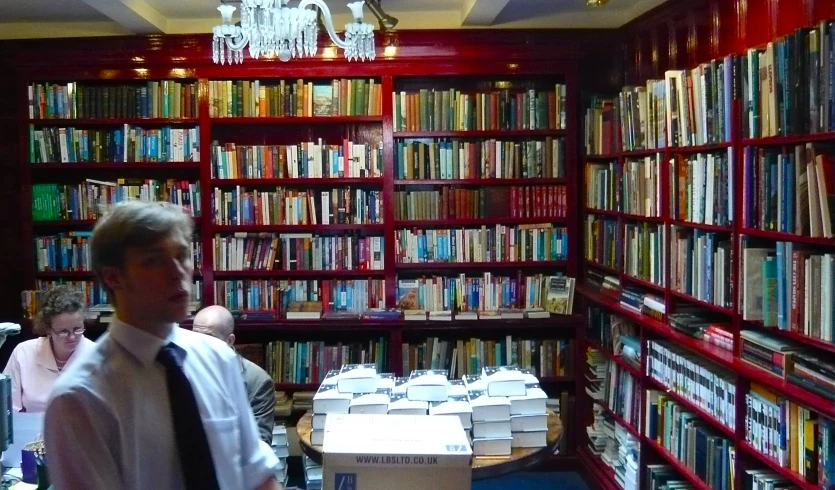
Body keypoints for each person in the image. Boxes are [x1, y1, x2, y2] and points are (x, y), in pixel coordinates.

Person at [44, 201, 282, 490]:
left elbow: (258, 475)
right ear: (114, 276)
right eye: (153, 260)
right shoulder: (80, 398)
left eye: (182, 255)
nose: (177, 272)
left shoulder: (218, 358)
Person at [192, 305, 276, 445]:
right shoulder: (184, 366)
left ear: (229, 341)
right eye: (195, 336)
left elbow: (260, 442)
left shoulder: (258, 381)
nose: (198, 344)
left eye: (208, 338)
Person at [3, 286, 95, 412]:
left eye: (77, 328)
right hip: (32, 429)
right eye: (63, 331)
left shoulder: (98, 355)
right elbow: (8, 409)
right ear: (48, 329)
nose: (72, 337)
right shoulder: (23, 352)